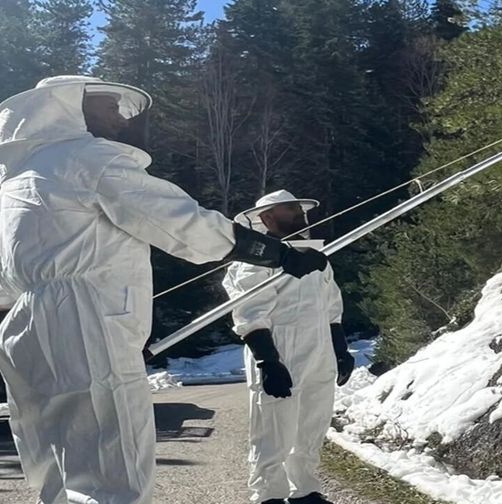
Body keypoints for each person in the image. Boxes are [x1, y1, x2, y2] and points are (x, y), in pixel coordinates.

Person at [0, 76, 328, 504]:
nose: (119, 118)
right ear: (69, 106)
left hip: (23, 329)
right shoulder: (87, 158)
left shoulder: (16, 182)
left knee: (56, 462)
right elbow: (179, 221)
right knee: (113, 467)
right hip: (85, 318)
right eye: (109, 106)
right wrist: (276, 254)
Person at [223, 190, 355, 504]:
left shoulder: (316, 257)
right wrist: (268, 362)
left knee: (312, 426)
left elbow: (331, 307)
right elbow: (250, 311)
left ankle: (305, 491)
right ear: (267, 218)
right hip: (279, 350)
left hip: (318, 352)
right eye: (290, 210)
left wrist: (340, 350)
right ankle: (269, 494)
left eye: (299, 209)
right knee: (273, 429)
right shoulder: (255, 259)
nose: (299, 215)